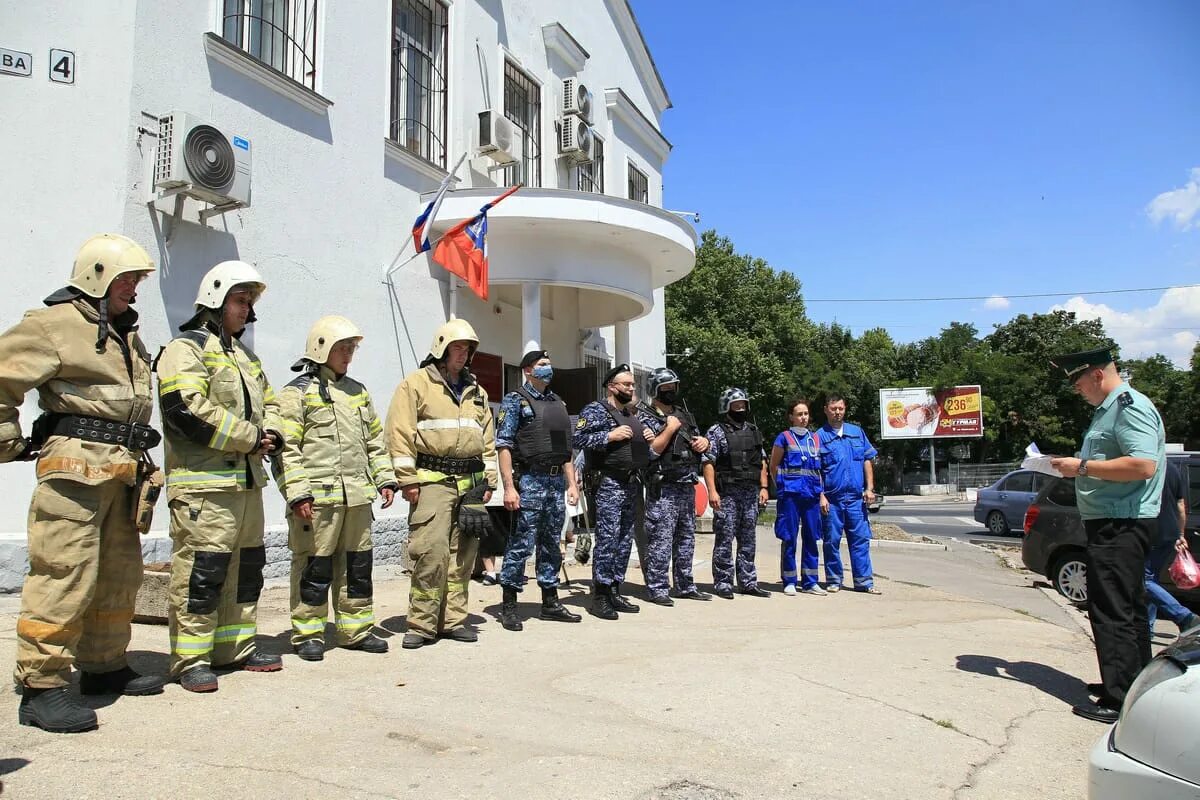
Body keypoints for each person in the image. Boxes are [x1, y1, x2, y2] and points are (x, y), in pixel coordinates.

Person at [1, 234, 166, 732]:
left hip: (122, 472)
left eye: (138, 281)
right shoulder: (52, 325)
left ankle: (103, 665)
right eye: (128, 279)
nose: (135, 290)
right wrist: (7, 442)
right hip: (73, 474)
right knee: (64, 574)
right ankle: (41, 686)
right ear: (97, 274)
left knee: (118, 576)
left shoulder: (121, 330)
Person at [158, 260, 284, 692]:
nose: (247, 310)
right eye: (240, 300)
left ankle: (234, 647)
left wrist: (276, 432)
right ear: (215, 300)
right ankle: (191, 658)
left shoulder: (247, 358)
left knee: (246, 571)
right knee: (201, 573)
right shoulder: (185, 349)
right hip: (204, 488)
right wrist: (252, 437)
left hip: (246, 488)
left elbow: (274, 404)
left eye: (250, 302)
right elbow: (186, 410)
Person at [1048, 346, 1166, 724]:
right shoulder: (1111, 409)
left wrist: (1080, 467)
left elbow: (1142, 464)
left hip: (1122, 522)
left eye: (1079, 382)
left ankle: (1120, 699)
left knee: (1113, 609)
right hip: (1116, 521)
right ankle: (1128, 684)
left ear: (1097, 375)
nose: (1078, 390)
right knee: (1126, 608)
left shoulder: (1128, 406)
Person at [272, 316, 398, 661]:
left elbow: (374, 441)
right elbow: (286, 448)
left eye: (351, 349)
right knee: (314, 567)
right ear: (321, 347)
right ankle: (309, 633)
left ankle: (355, 630)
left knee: (358, 567)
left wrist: (385, 478)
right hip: (317, 502)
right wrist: (297, 492)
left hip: (357, 499)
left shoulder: (358, 392)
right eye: (342, 348)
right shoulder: (295, 394)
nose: (348, 355)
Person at [386, 318, 497, 649]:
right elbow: (399, 434)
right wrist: (407, 480)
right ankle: (421, 623)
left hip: (470, 486)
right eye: (457, 348)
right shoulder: (416, 384)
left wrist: (488, 481)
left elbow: (487, 441)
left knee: (463, 555)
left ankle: (453, 620)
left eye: (467, 349)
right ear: (441, 348)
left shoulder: (477, 393)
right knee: (430, 553)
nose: (463, 355)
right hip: (431, 483)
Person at [495, 348, 582, 631]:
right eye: (542, 363)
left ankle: (550, 602)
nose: (548, 367)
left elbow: (565, 450)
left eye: (549, 362)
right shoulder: (515, 401)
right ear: (528, 370)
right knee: (520, 544)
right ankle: (509, 605)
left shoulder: (558, 403)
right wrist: (509, 487)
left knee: (551, 545)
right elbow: (504, 445)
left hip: (556, 483)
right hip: (530, 481)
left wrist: (571, 484)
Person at [573, 364, 652, 619]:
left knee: (624, 539)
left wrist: (645, 434)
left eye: (632, 385)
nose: (631, 388)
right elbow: (578, 439)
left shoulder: (631, 414)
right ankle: (600, 595)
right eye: (626, 384)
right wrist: (609, 436)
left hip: (631, 483)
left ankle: (615, 588)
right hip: (608, 483)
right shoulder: (596, 410)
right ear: (612, 386)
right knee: (607, 539)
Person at [636, 367, 711, 605]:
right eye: (664, 388)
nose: (670, 392)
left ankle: (685, 585)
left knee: (686, 538)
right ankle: (657, 587)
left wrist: (703, 442)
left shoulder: (685, 415)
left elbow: (698, 440)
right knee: (660, 538)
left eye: (672, 388)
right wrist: (669, 428)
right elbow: (651, 451)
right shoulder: (644, 416)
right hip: (663, 487)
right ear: (654, 390)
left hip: (686, 485)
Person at [702, 388, 770, 599]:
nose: (741, 408)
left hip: (750, 493)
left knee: (748, 539)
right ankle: (723, 582)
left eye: (743, 405)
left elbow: (762, 461)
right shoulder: (716, 431)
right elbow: (708, 462)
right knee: (724, 538)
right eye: (736, 405)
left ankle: (748, 582)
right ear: (726, 406)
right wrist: (712, 491)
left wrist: (764, 487)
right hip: (727, 494)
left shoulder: (753, 430)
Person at [817, 393, 880, 594]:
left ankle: (864, 583)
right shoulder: (819, 437)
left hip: (855, 499)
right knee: (831, 541)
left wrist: (869, 489)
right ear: (826, 409)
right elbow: (816, 470)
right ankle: (834, 580)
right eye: (833, 408)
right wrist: (821, 495)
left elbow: (867, 460)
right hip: (832, 500)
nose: (837, 412)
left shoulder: (856, 432)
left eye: (841, 409)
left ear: (845, 409)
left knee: (860, 540)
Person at [769, 398, 826, 596]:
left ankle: (811, 581)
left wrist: (822, 495)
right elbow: (773, 465)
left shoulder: (815, 439)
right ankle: (789, 580)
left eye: (806, 414)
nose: (803, 418)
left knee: (812, 537)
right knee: (789, 537)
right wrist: (782, 487)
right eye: (799, 414)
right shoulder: (784, 437)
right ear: (791, 417)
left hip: (811, 495)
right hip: (790, 496)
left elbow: (819, 471)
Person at [1144, 461, 1198, 634]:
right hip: (1170, 532)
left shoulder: (1148, 466)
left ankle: (1184, 616)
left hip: (1152, 531)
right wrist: (1180, 534)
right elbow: (1181, 505)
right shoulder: (1173, 468)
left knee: (1143, 579)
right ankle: (1148, 627)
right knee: (1151, 579)